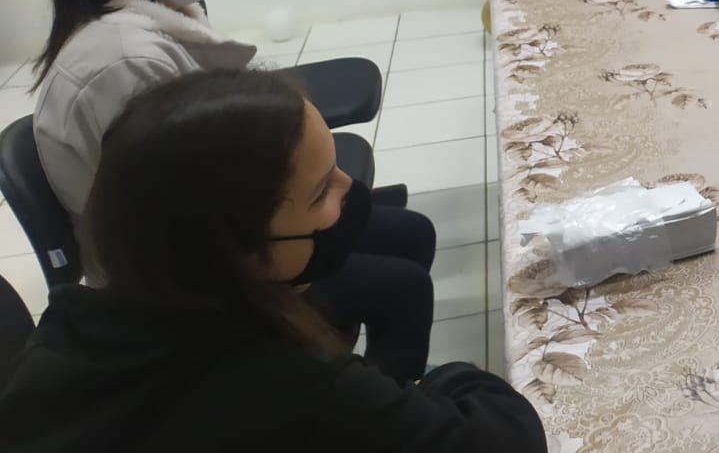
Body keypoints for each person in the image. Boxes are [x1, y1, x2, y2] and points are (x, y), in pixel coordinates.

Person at [29, 0, 437, 380]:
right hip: (180, 282)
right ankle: (358, 406)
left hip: (219, 226)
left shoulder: (155, 15)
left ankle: (343, 376)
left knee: (409, 232)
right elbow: (187, 217)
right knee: (403, 287)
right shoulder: (124, 64)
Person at [0, 70, 547, 453]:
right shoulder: (291, 387)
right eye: (321, 192)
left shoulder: (70, 323)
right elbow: (510, 437)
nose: (349, 190)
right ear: (239, 247)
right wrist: (448, 380)